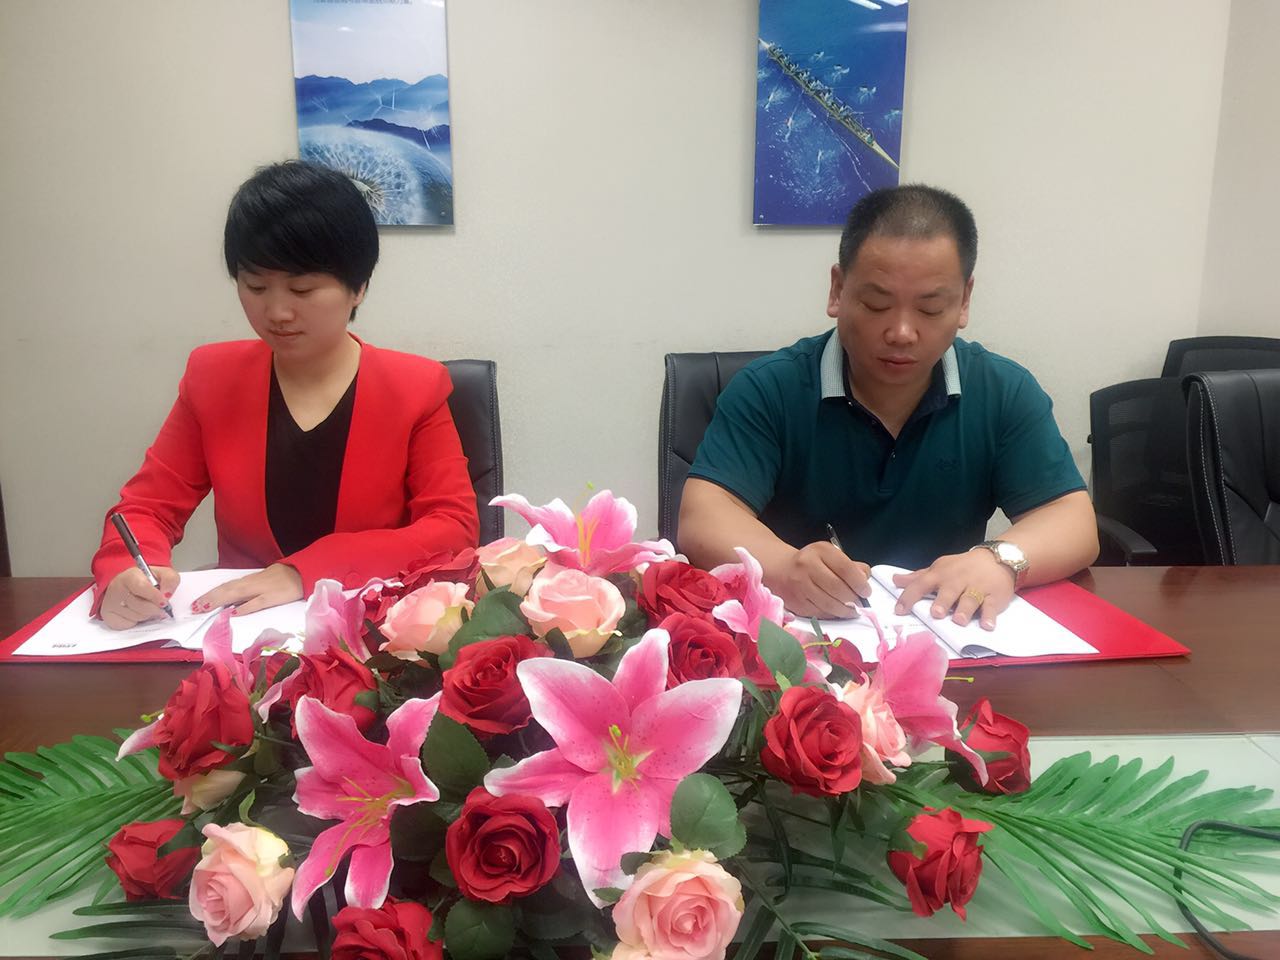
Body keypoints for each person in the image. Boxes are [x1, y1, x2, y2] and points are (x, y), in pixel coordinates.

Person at [679, 185, 1097, 629]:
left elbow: (1072, 519)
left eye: (930, 309)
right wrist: (781, 567)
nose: (901, 332)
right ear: (837, 289)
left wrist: (1001, 559)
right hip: (804, 641)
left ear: (964, 301)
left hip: (946, 636)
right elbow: (703, 515)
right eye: (877, 304)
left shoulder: (1003, 391)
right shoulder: (769, 388)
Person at [91, 161, 478, 629]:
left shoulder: (415, 387)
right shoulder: (212, 379)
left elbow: (453, 528)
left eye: (302, 289)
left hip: (371, 628)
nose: (276, 311)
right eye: (255, 286)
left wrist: (303, 572)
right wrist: (127, 572)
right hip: (237, 635)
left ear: (358, 287)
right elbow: (147, 508)